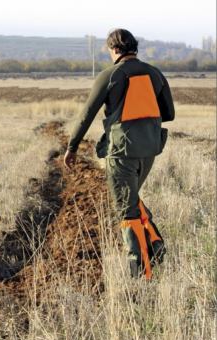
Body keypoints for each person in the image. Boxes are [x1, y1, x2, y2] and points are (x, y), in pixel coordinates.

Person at [64, 29, 175, 279]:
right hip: (149, 150)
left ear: (113, 49)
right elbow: (168, 113)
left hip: (122, 152)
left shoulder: (110, 74)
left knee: (126, 211)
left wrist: (72, 147)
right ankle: (156, 244)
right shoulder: (155, 73)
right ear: (134, 48)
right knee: (132, 199)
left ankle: (140, 271)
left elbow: (86, 114)